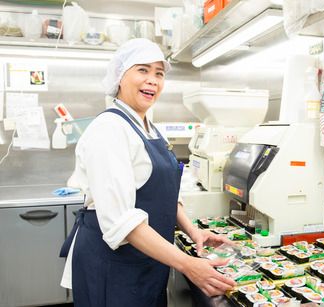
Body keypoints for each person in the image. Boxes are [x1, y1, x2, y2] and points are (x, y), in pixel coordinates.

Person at [59, 38, 236, 307]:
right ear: (120, 77)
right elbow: (122, 221)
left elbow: (161, 194)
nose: (152, 80)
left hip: (147, 260)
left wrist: (193, 232)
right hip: (113, 264)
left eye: (159, 73)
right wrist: (188, 264)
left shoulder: (149, 128)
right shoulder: (109, 130)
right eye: (142, 70)